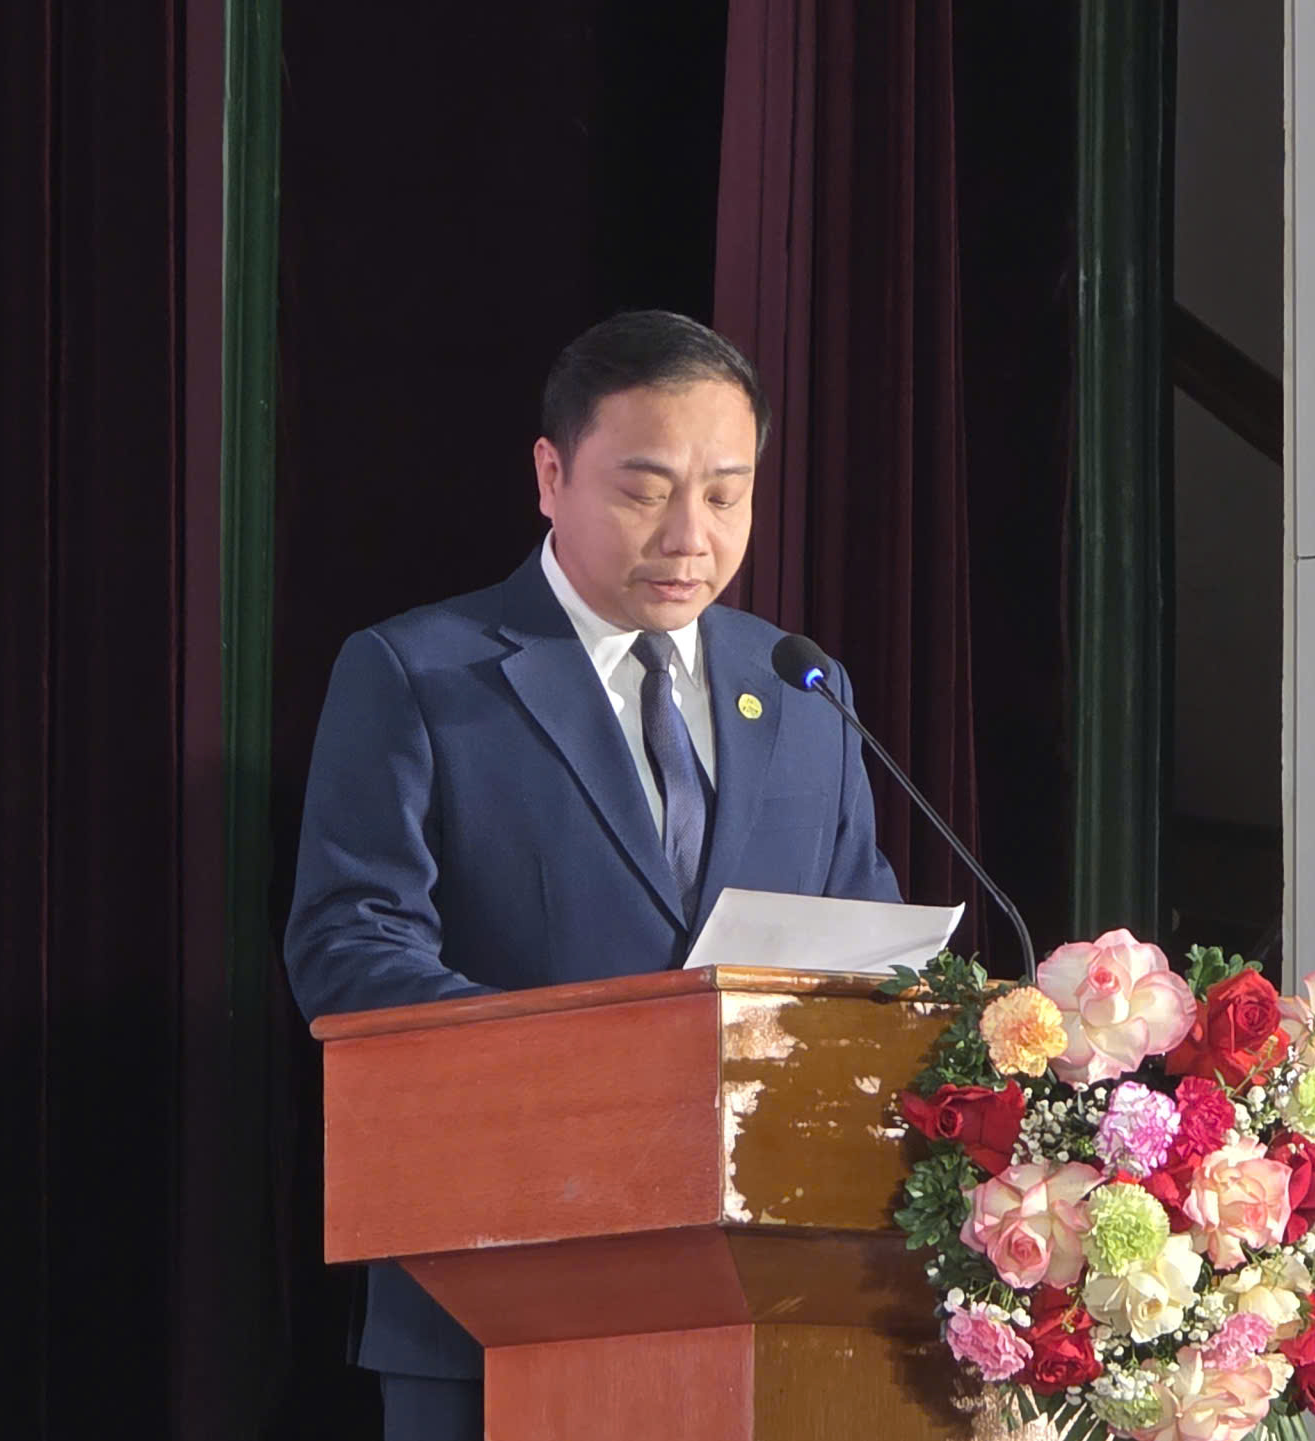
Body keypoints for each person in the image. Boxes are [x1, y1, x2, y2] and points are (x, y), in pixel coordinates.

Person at [283, 310, 902, 1441]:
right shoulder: (419, 673)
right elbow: (349, 948)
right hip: (492, 1293)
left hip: (769, 1309)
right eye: (644, 490)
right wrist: (591, 1066)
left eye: (726, 494)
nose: (689, 537)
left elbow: (867, 952)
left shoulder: (799, 685)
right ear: (550, 475)